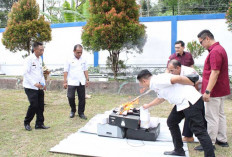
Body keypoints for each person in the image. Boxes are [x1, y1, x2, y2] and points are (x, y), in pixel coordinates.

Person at [137, 69, 215, 157]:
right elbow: (161, 98)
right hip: (182, 103)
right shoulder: (156, 83)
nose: (140, 85)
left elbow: (176, 78)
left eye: (140, 83)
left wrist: (191, 82)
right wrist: (148, 105)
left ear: (144, 80)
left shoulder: (156, 81)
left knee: (199, 131)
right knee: (171, 122)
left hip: (190, 101)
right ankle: (179, 150)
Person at [194, 30, 231, 151]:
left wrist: (208, 91)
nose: (201, 45)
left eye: (201, 42)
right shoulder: (220, 49)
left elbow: (215, 72)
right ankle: (222, 139)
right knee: (220, 115)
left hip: (214, 90)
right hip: (220, 89)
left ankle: (210, 143)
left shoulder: (215, 51)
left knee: (211, 117)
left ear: (207, 38)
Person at [168, 59, 202, 143]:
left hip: (197, 93)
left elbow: (196, 83)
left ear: (178, 68)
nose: (171, 73)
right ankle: (188, 136)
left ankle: (191, 136)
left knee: (194, 119)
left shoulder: (189, 71)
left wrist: (194, 97)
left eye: (172, 70)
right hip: (187, 97)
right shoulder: (176, 73)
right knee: (180, 118)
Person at [23, 42, 50, 131]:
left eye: (43, 50)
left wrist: (43, 84)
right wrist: (35, 83)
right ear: (35, 50)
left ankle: (39, 124)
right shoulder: (29, 59)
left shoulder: (40, 60)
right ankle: (27, 122)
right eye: (40, 50)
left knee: (41, 106)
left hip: (39, 86)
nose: (42, 52)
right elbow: (26, 73)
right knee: (34, 105)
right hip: (30, 87)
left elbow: (40, 73)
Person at [63, 44, 89, 120]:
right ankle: (73, 110)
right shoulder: (69, 59)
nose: (79, 54)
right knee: (70, 97)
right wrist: (65, 82)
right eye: (78, 52)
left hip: (81, 81)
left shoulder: (83, 59)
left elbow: (85, 70)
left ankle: (81, 112)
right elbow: (65, 71)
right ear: (74, 51)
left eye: (81, 52)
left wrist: (87, 79)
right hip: (71, 81)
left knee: (82, 98)